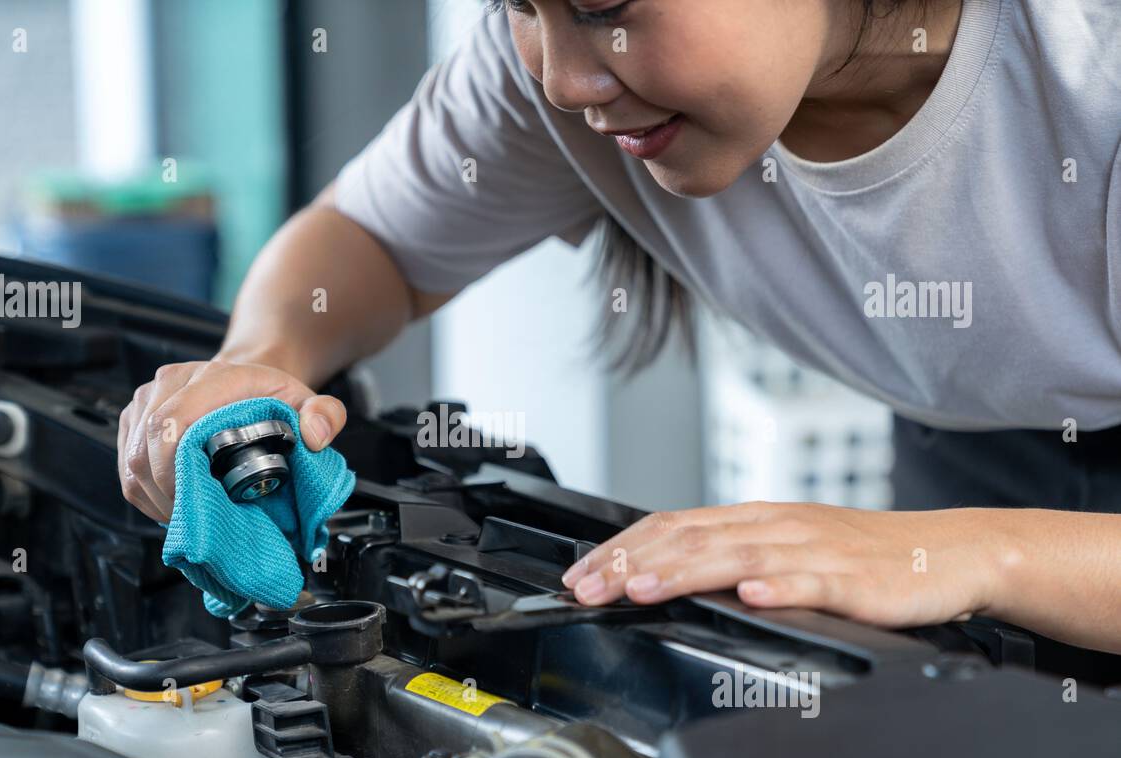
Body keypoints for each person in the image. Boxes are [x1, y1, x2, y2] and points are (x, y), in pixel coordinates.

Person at [119, 0, 1121, 652]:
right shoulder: (551, 72)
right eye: (517, 6)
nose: (559, 77)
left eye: (603, 7)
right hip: (970, 441)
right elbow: (371, 238)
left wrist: (978, 553)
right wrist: (255, 367)